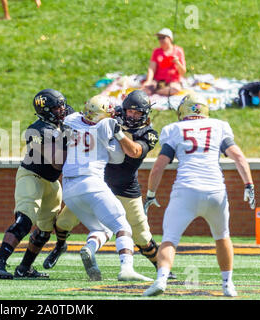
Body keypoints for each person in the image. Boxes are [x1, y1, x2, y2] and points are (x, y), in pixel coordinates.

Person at [44, 90, 176, 279]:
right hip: (98, 184)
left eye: (137, 112)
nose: (131, 115)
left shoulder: (146, 133)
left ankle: (163, 270)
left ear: (145, 114)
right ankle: (59, 247)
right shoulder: (108, 118)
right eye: (129, 111)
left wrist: (118, 134)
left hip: (124, 189)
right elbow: (89, 118)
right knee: (62, 223)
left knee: (142, 237)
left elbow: (135, 151)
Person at [142, 94, 256, 297]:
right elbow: (238, 156)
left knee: (169, 239)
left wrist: (151, 193)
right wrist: (249, 184)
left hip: (186, 190)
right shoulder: (219, 126)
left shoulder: (174, 129)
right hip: (215, 191)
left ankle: (161, 280)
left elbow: (159, 165)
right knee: (222, 236)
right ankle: (228, 284)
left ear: (182, 111)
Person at [61, 94, 152, 282]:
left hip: (68, 188)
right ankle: (126, 268)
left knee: (101, 228)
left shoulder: (70, 120)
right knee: (122, 225)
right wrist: (114, 136)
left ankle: (90, 249)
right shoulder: (107, 126)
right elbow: (118, 158)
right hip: (91, 182)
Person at [0, 89, 69, 279]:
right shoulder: (37, 130)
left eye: (62, 105)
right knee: (24, 221)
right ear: (46, 110)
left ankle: (25, 268)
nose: (62, 110)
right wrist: (71, 137)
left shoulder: (62, 120)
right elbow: (57, 160)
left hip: (52, 182)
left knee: (45, 229)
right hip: (32, 176)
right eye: (57, 107)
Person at [142, 28, 186, 96]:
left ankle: (156, 91)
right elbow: (151, 68)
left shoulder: (178, 51)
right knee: (145, 89)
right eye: (159, 38)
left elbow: (183, 72)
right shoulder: (156, 51)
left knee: (175, 89)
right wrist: (148, 80)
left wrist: (177, 62)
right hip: (159, 81)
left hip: (173, 81)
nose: (161, 40)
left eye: (163, 37)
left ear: (170, 38)